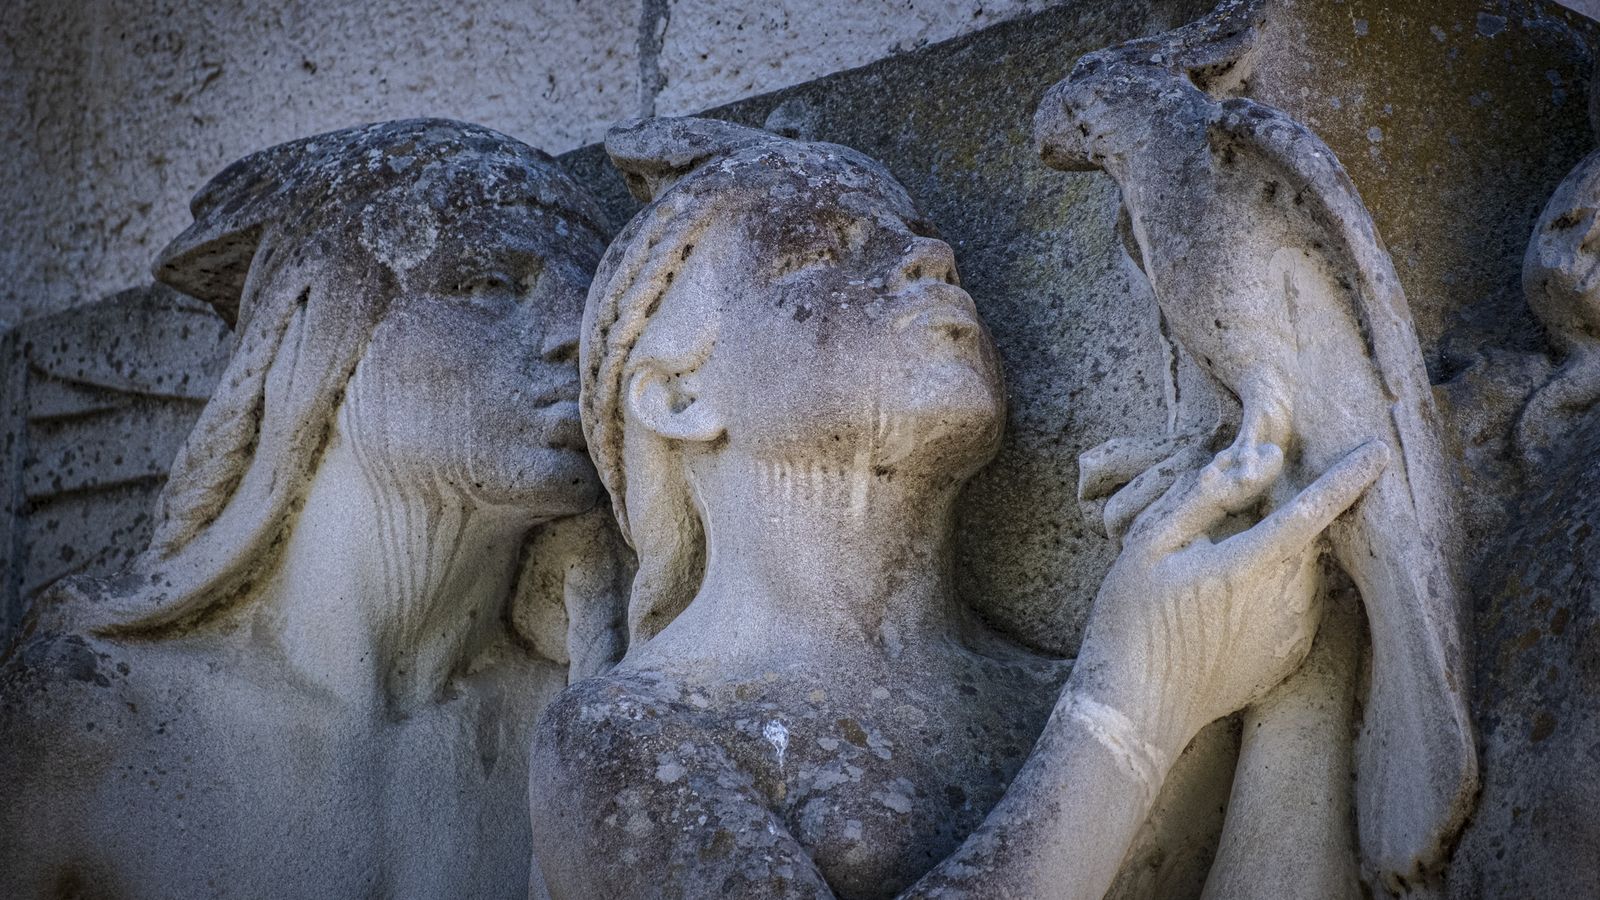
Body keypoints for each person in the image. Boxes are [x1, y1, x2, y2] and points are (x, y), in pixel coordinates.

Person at [528, 117, 1388, 899]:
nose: (928, 257)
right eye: (827, 252)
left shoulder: (1077, 676)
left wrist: (1301, 611)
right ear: (677, 395)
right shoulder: (626, 734)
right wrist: (1132, 705)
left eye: (921, 239)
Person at [0, 119, 621, 900]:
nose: (575, 334)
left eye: (594, 304)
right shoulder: (91, 720)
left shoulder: (586, 728)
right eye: (486, 283)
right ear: (321, 340)